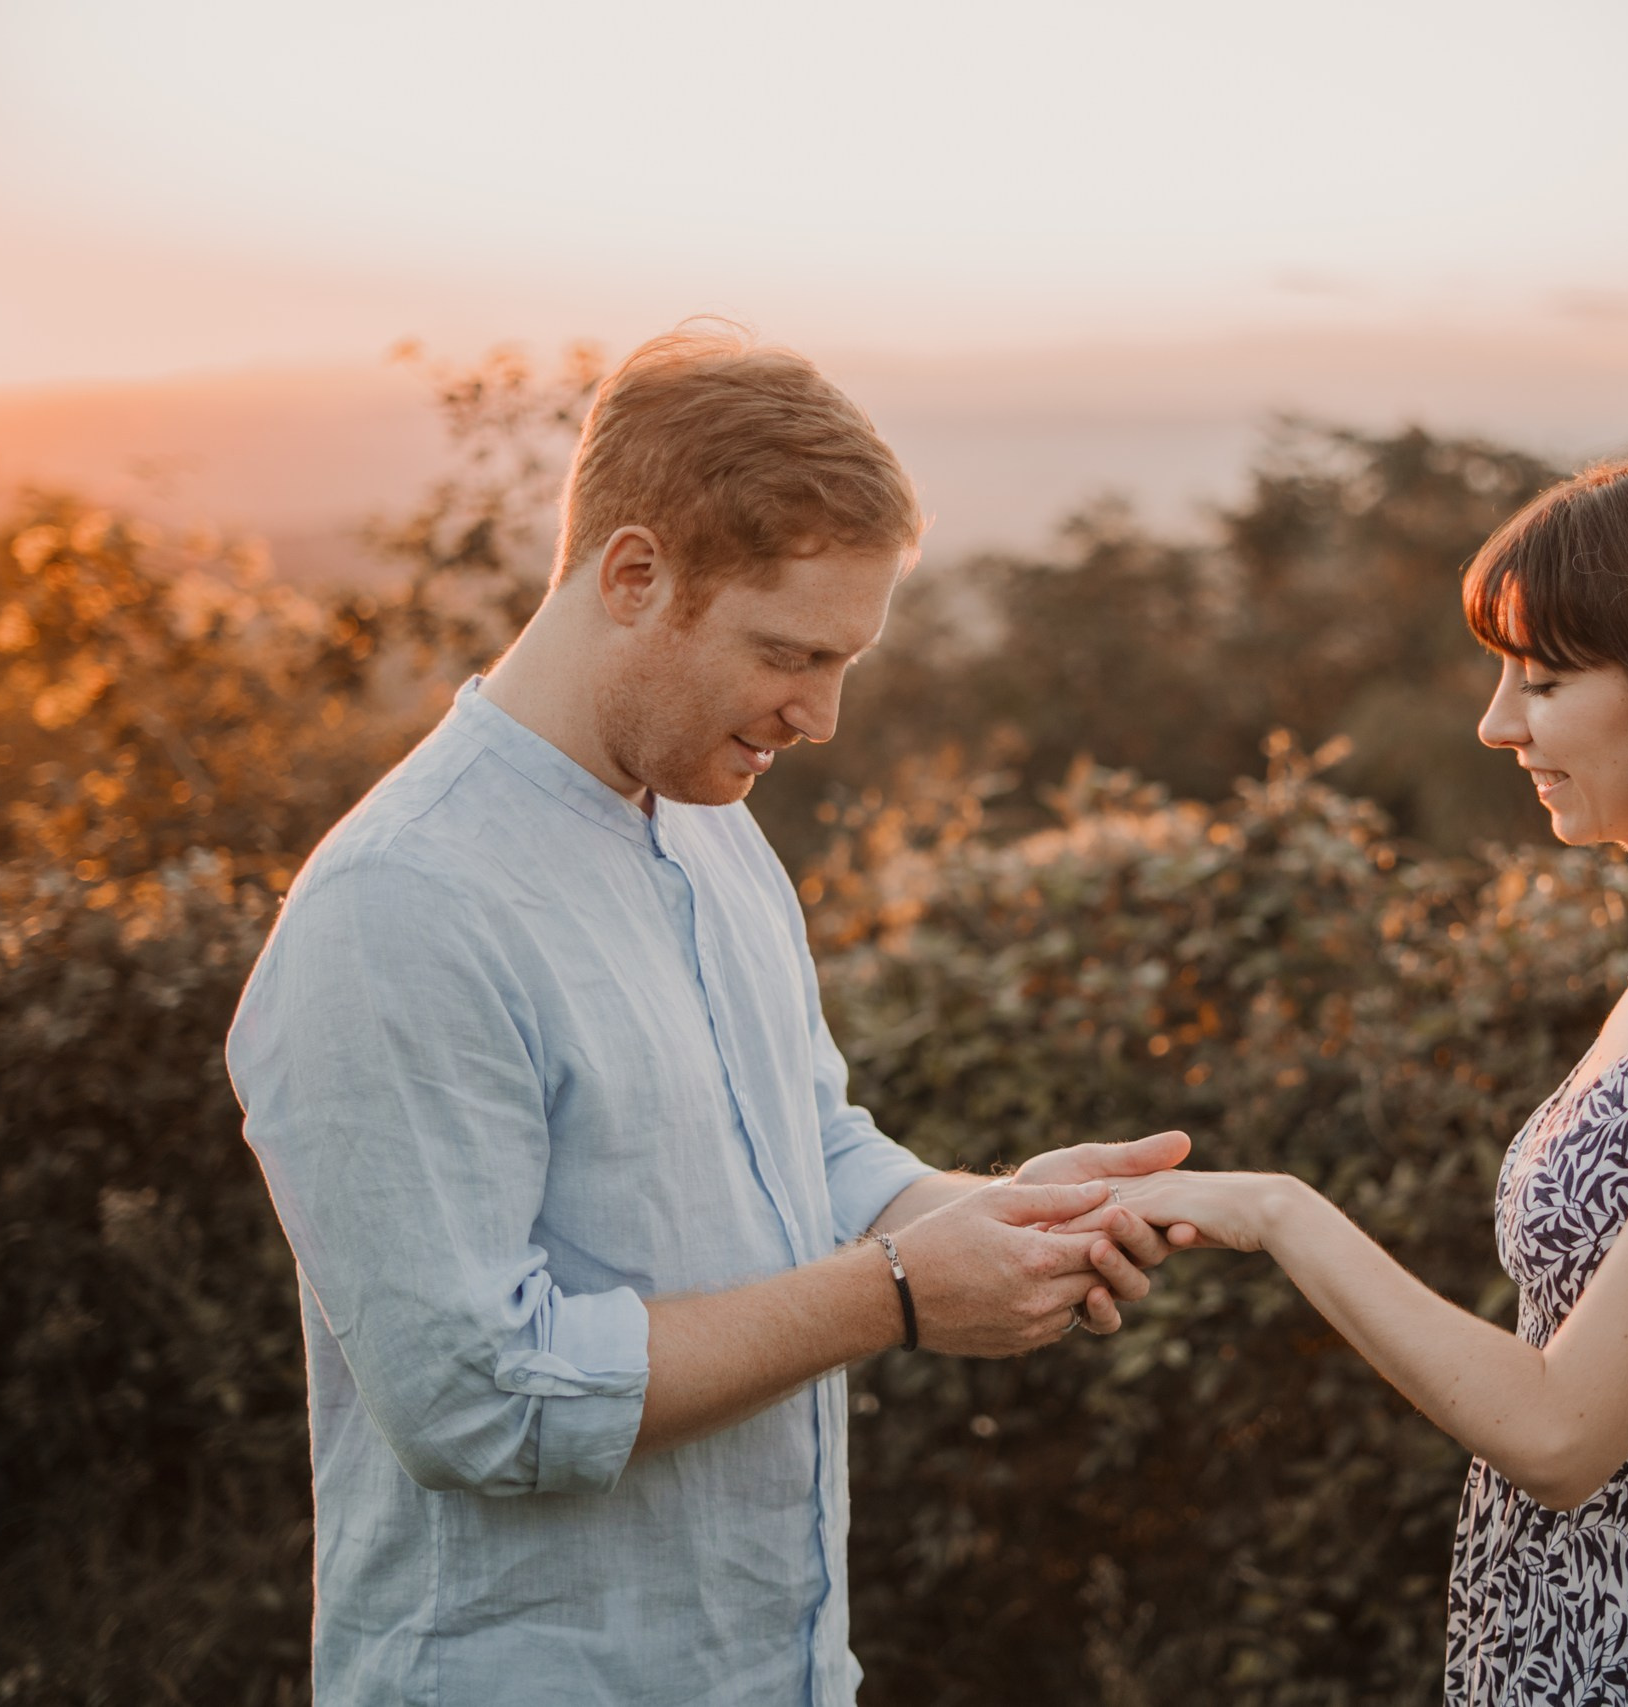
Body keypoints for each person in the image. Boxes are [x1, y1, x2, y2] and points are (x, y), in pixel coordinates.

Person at [225, 323, 1186, 1707]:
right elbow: (483, 1397)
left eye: (845, 658)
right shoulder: (402, 908)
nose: (826, 716)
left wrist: (988, 1219)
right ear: (634, 574)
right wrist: (899, 1297)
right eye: (791, 652)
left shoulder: (715, 831)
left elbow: (811, 1146)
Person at [1101, 448, 1628, 1704]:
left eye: (1546, 680)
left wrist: (1279, 1211)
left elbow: (1563, 1434)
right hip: (1568, 1621)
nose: (1499, 723)